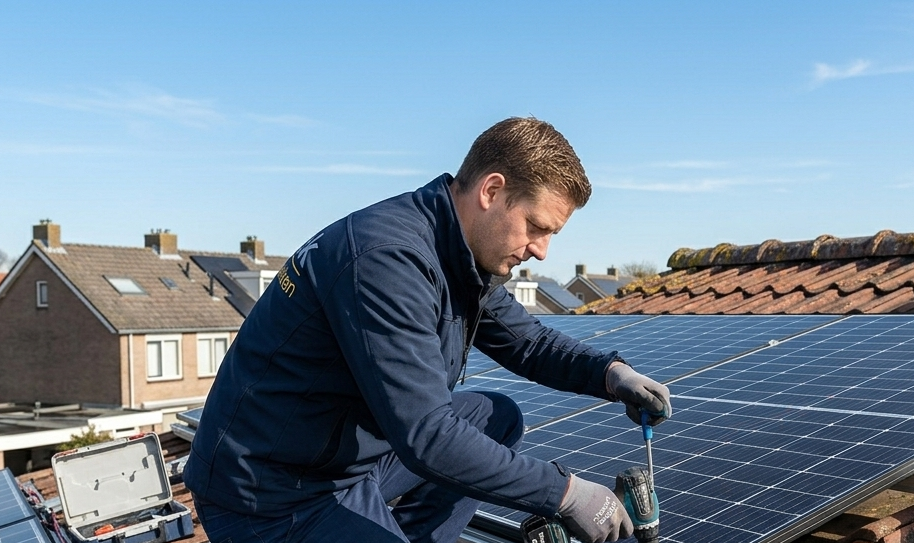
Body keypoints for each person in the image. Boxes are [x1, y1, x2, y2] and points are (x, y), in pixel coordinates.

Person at [183, 117, 672, 543]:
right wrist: (565, 494)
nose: (541, 250)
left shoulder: (454, 253)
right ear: (492, 191)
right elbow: (428, 437)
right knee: (450, 438)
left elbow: (528, 341)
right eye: (536, 226)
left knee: (493, 416)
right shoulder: (387, 261)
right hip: (272, 490)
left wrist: (610, 374)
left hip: (337, 456)